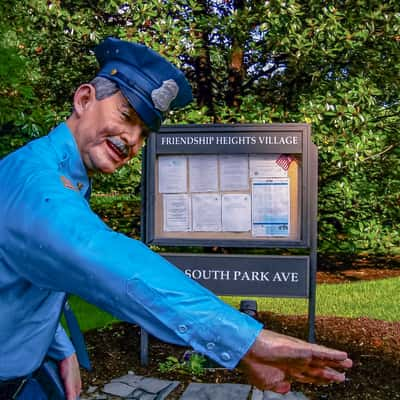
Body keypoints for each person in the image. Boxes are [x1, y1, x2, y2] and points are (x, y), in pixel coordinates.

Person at [0, 37, 352, 400]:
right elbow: (98, 255)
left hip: (32, 372)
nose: (132, 140)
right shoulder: (36, 184)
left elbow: (27, 278)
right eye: (126, 115)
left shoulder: (58, 171)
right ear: (84, 99)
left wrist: (59, 347)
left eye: (144, 132)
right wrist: (247, 340)